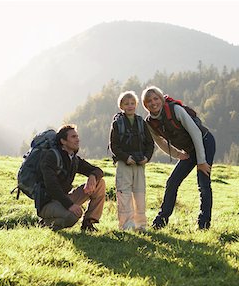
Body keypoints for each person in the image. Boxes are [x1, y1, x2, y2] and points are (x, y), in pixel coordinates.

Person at [141, 86, 216, 230]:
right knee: (172, 182)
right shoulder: (150, 122)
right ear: (145, 105)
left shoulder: (175, 110)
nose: (153, 103)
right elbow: (160, 142)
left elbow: (195, 132)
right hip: (188, 150)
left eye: (156, 98)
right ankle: (160, 221)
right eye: (149, 101)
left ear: (161, 99)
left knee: (203, 183)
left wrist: (201, 161)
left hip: (204, 142)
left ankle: (203, 224)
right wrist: (178, 155)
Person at [37, 124, 106, 231]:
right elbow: (52, 187)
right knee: (72, 216)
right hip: (48, 203)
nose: (77, 140)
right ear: (63, 141)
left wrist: (92, 176)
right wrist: (70, 206)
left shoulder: (74, 159)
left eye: (77, 136)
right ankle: (45, 223)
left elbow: (98, 170)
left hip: (65, 198)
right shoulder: (51, 157)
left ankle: (88, 223)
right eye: (73, 137)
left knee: (99, 183)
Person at [109, 91, 154, 231]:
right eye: (126, 104)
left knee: (140, 194)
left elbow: (150, 143)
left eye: (133, 103)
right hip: (124, 164)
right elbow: (113, 145)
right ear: (121, 106)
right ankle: (126, 224)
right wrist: (125, 157)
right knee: (124, 194)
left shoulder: (141, 122)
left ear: (136, 105)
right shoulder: (117, 123)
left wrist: (147, 157)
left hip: (139, 163)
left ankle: (140, 225)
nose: (130, 106)